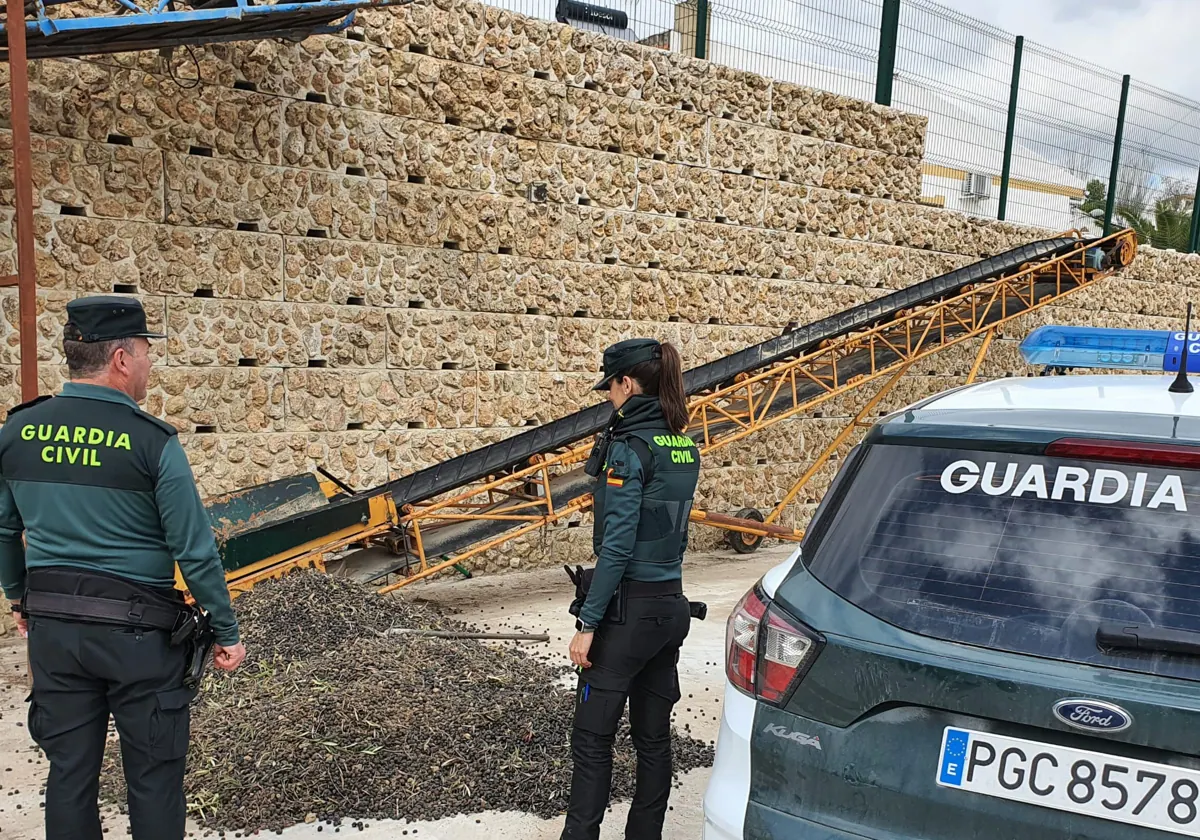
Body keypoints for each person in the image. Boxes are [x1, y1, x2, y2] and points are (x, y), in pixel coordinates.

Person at [0, 295, 245, 840]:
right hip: (140, 640)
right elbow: (195, 548)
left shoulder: (18, 431)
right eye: (144, 351)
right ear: (120, 358)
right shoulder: (152, 442)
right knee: (154, 779)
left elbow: (2, 530)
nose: (149, 363)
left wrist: (20, 598)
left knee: (68, 775)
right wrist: (226, 630)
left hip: (55, 633)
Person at [562, 337, 702, 840]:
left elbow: (617, 551)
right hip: (670, 611)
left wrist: (588, 624)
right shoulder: (684, 443)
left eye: (610, 388)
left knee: (592, 742)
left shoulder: (629, 448)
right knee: (653, 741)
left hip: (629, 616)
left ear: (626, 383)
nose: (607, 398)